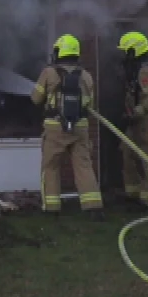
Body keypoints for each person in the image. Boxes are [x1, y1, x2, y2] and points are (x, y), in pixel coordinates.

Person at [31, 35, 100, 217]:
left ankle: (52, 207)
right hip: (81, 127)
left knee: (51, 166)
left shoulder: (49, 73)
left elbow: (36, 99)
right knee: (84, 165)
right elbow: (90, 106)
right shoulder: (86, 75)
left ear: (59, 52)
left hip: (55, 127)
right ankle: (92, 206)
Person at [117, 31, 148, 210]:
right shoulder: (136, 70)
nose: (123, 56)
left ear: (133, 51)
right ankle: (134, 195)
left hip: (147, 120)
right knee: (128, 155)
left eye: (125, 51)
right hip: (135, 120)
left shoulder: (146, 71)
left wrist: (136, 111)